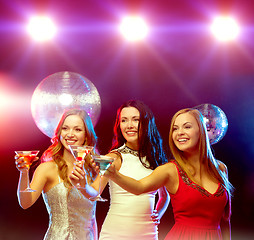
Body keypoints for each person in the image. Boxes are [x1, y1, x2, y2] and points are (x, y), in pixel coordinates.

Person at [104, 108, 234, 240]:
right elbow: (139, 187)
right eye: (175, 129)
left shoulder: (221, 168)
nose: (180, 133)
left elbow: (225, 219)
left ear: (201, 130)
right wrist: (114, 175)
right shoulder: (170, 170)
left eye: (187, 127)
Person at [71, 100, 170, 240]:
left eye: (135, 120)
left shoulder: (156, 159)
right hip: (116, 234)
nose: (129, 125)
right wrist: (82, 185)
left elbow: (164, 196)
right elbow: (95, 192)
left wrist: (158, 213)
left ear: (147, 123)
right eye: (124, 120)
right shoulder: (114, 157)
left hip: (149, 234)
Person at [15, 109, 100, 240]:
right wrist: (24, 172)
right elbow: (26, 203)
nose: (70, 134)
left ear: (86, 135)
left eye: (77, 129)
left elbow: (92, 218)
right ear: (59, 133)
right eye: (65, 128)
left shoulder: (93, 170)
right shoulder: (46, 169)